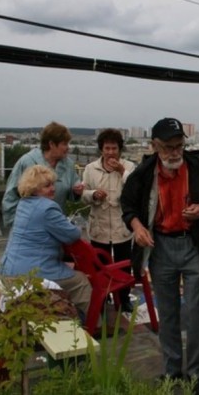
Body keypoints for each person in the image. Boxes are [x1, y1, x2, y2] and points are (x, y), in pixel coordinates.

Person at [121, 117, 199, 395]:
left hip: (194, 245)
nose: (174, 153)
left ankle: (196, 374)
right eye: (168, 147)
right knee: (167, 312)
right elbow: (128, 205)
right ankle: (171, 370)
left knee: (196, 312)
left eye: (179, 146)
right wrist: (137, 226)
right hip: (161, 247)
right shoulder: (144, 173)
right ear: (154, 146)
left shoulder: (198, 166)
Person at [0, 165, 91, 322]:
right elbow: (72, 234)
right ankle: (89, 324)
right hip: (31, 273)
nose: (53, 189)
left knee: (66, 272)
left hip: (8, 269)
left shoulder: (23, 203)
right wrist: (74, 225)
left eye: (53, 184)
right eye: (47, 186)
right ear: (35, 189)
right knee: (81, 281)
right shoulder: (47, 208)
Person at [82, 128, 136, 312]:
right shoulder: (91, 169)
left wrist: (122, 171)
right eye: (107, 148)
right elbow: (83, 193)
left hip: (122, 224)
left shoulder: (129, 167)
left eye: (114, 148)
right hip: (99, 224)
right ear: (101, 149)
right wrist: (93, 194)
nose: (111, 152)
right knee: (100, 265)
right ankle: (103, 297)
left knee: (123, 263)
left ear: (120, 149)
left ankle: (123, 297)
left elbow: (136, 191)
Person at [2, 121, 83, 228]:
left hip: (56, 224)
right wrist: (15, 225)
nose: (68, 148)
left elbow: (72, 191)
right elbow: (10, 196)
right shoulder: (27, 161)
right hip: (29, 227)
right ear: (52, 144)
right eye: (64, 144)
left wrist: (77, 191)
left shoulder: (68, 164)